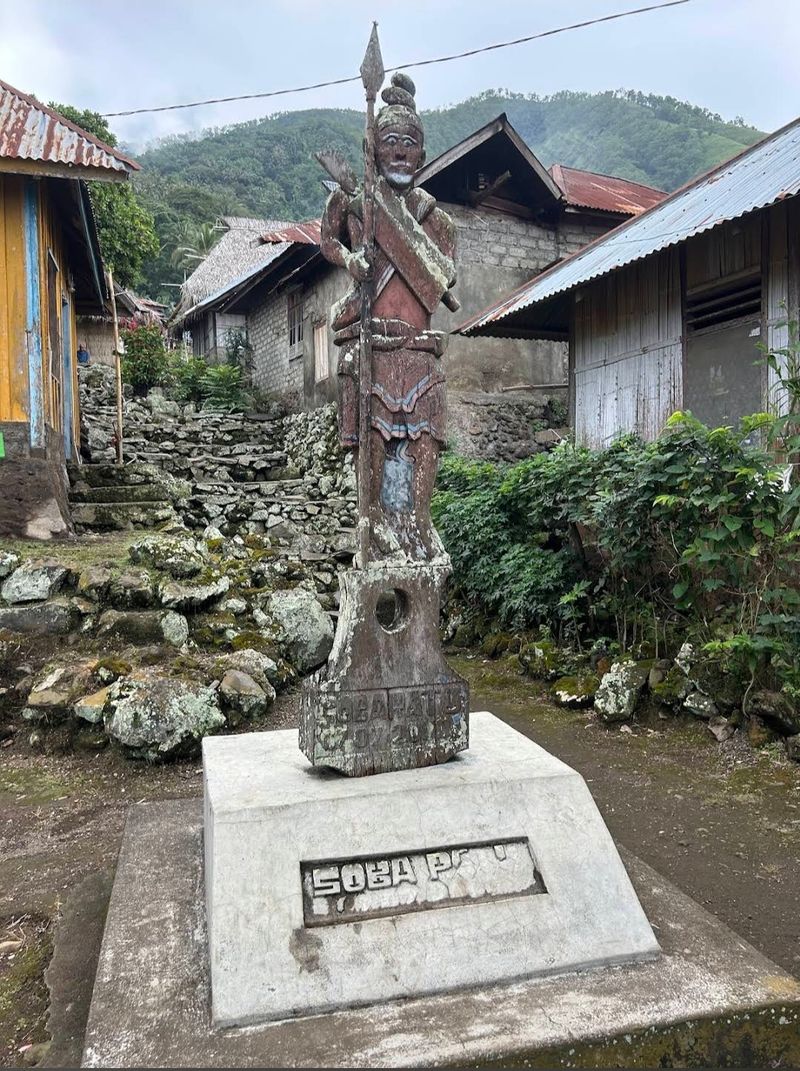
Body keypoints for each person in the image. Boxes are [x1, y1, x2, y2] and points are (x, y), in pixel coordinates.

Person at [319, 72, 458, 563]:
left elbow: (445, 275)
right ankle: (373, 519)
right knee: (373, 440)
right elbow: (327, 238)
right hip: (371, 348)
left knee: (424, 441)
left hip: (419, 353)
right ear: (374, 148)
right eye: (390, 141)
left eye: (410, 143)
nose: (400, 151)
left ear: (421, 154)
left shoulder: (434, 217)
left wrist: (409, 249)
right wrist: (351, 260)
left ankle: (418, 521)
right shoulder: (356, 203)